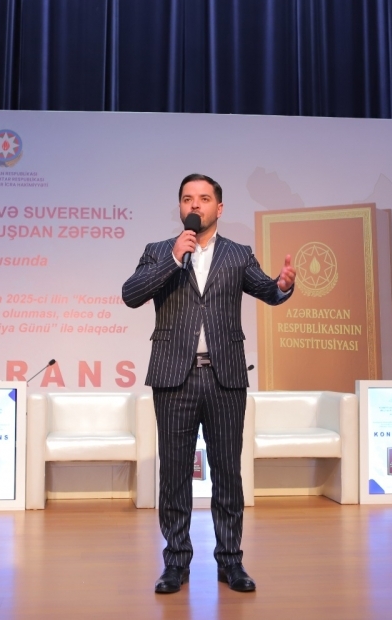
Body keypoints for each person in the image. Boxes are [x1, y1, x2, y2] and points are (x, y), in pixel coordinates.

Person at [122, 174, 295, 594]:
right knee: (174, 474)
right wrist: (172, 259)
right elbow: (131, 294)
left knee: (227, 473)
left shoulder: (237, 254)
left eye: (203, 198)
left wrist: (283, 286)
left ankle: (230, 561)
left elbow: (267, 290)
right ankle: (175, 563)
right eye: (187, 199)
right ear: (180, 207)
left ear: (219, 208)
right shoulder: (159, 251)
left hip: (225, 377)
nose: (194, 205)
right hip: (173, 377)